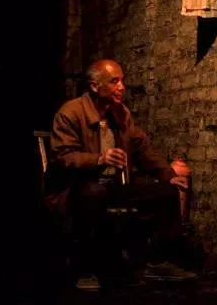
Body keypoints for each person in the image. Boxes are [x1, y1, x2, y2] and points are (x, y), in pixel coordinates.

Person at [46, 59, 193, 289]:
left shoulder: (120, 113)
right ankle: (85, 268)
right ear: (94, 86)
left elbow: (142, 148)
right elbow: (63, 157)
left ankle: (159, 262)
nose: (121, 87)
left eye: (122, 81)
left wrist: (167, 174)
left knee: (165, 191)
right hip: (77, 188)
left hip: (115, 186)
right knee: (93, 194)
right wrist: (99, 158)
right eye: (114, 81)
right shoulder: (71, 113)